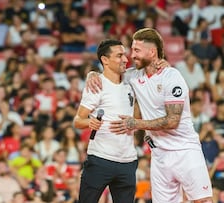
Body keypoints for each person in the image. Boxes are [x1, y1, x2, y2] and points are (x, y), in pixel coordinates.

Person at [86, 28, 213, 202]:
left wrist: (136, 124)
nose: (132, 55)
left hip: (184, 150)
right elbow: (109, 74)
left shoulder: (172, 77)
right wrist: (92, 74)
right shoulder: (133, 76)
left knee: (203, 200)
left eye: (137, 50)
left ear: (152, 52)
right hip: (159, 154)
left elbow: (172, 121)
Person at [73, 39, 138, 203]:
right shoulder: (96, 84)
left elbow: (152, 68)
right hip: (100, 159)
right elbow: (78, 120)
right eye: (119, 55)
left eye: (124, 54)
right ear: (105, 60)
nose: (125, 59)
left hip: (128, 161)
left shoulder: (131, 80)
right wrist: (89, 122)